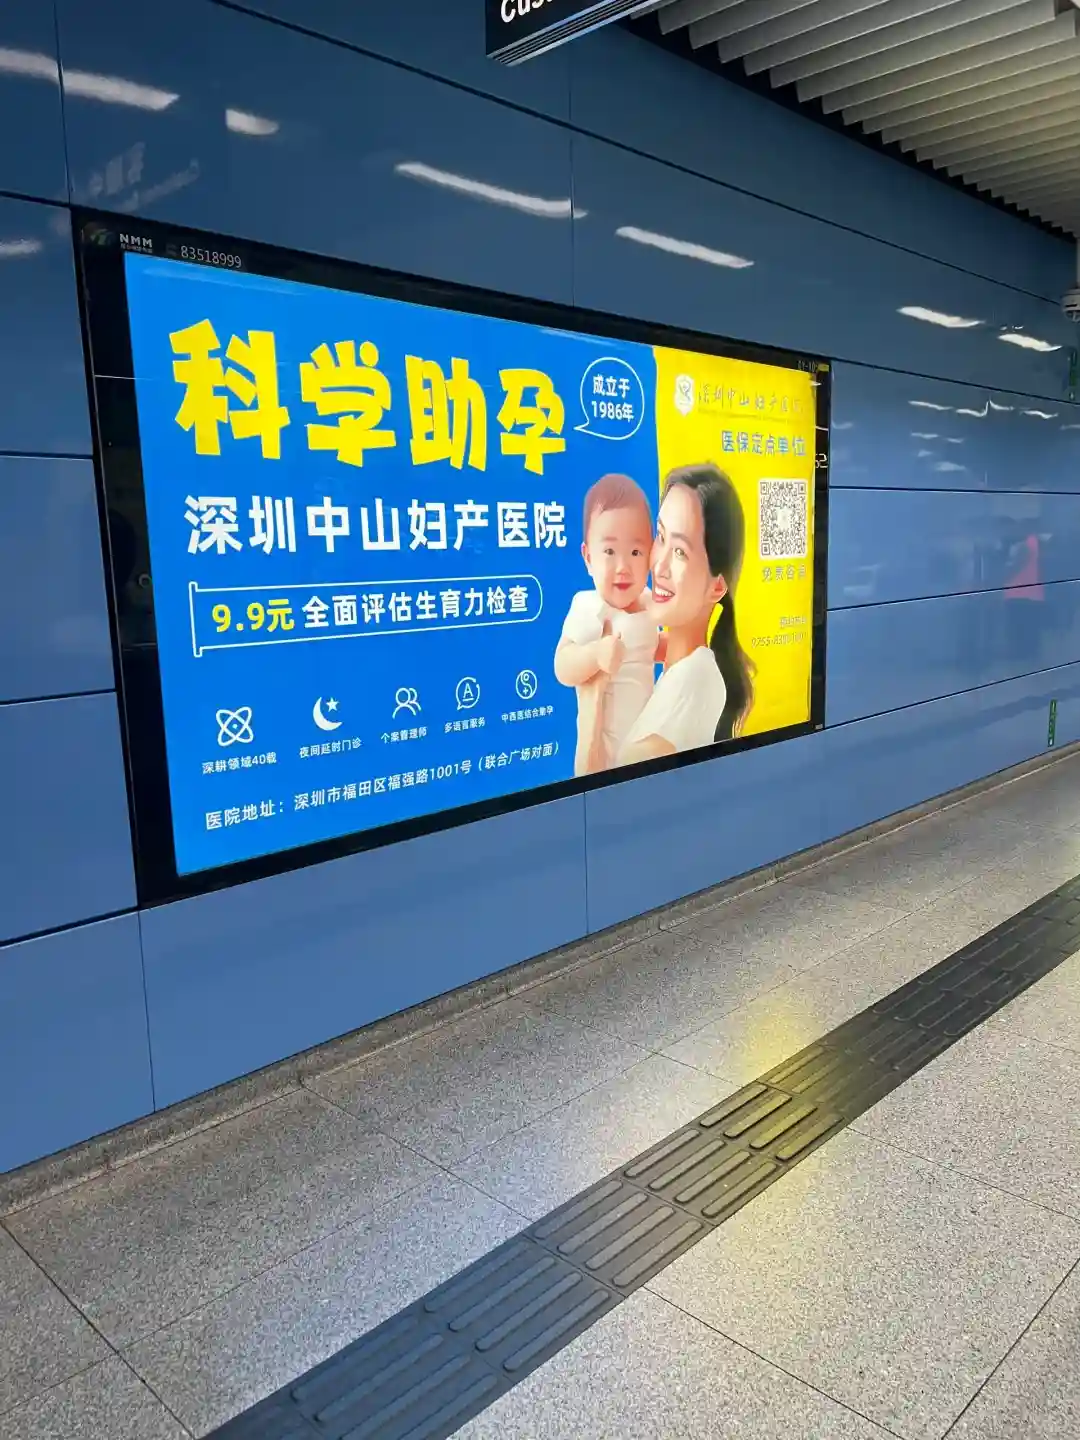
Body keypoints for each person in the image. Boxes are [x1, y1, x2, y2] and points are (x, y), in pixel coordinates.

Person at [617, 463, 754, 765]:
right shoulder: (676, 671)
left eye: (680, 551)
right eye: (661, 537)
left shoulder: (698, 677)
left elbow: (623, 775)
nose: (659, 565)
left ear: (717, 586)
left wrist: (591, 696)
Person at [554, 473, 662, 775]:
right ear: (588, 558)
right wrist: (596, 654)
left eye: (636, 552)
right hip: (604, 751)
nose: (623, 567)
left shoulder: (647, 601)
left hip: (642, 743)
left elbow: (650, 648)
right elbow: (562, 665)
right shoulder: (591, 607)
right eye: (610, 552)